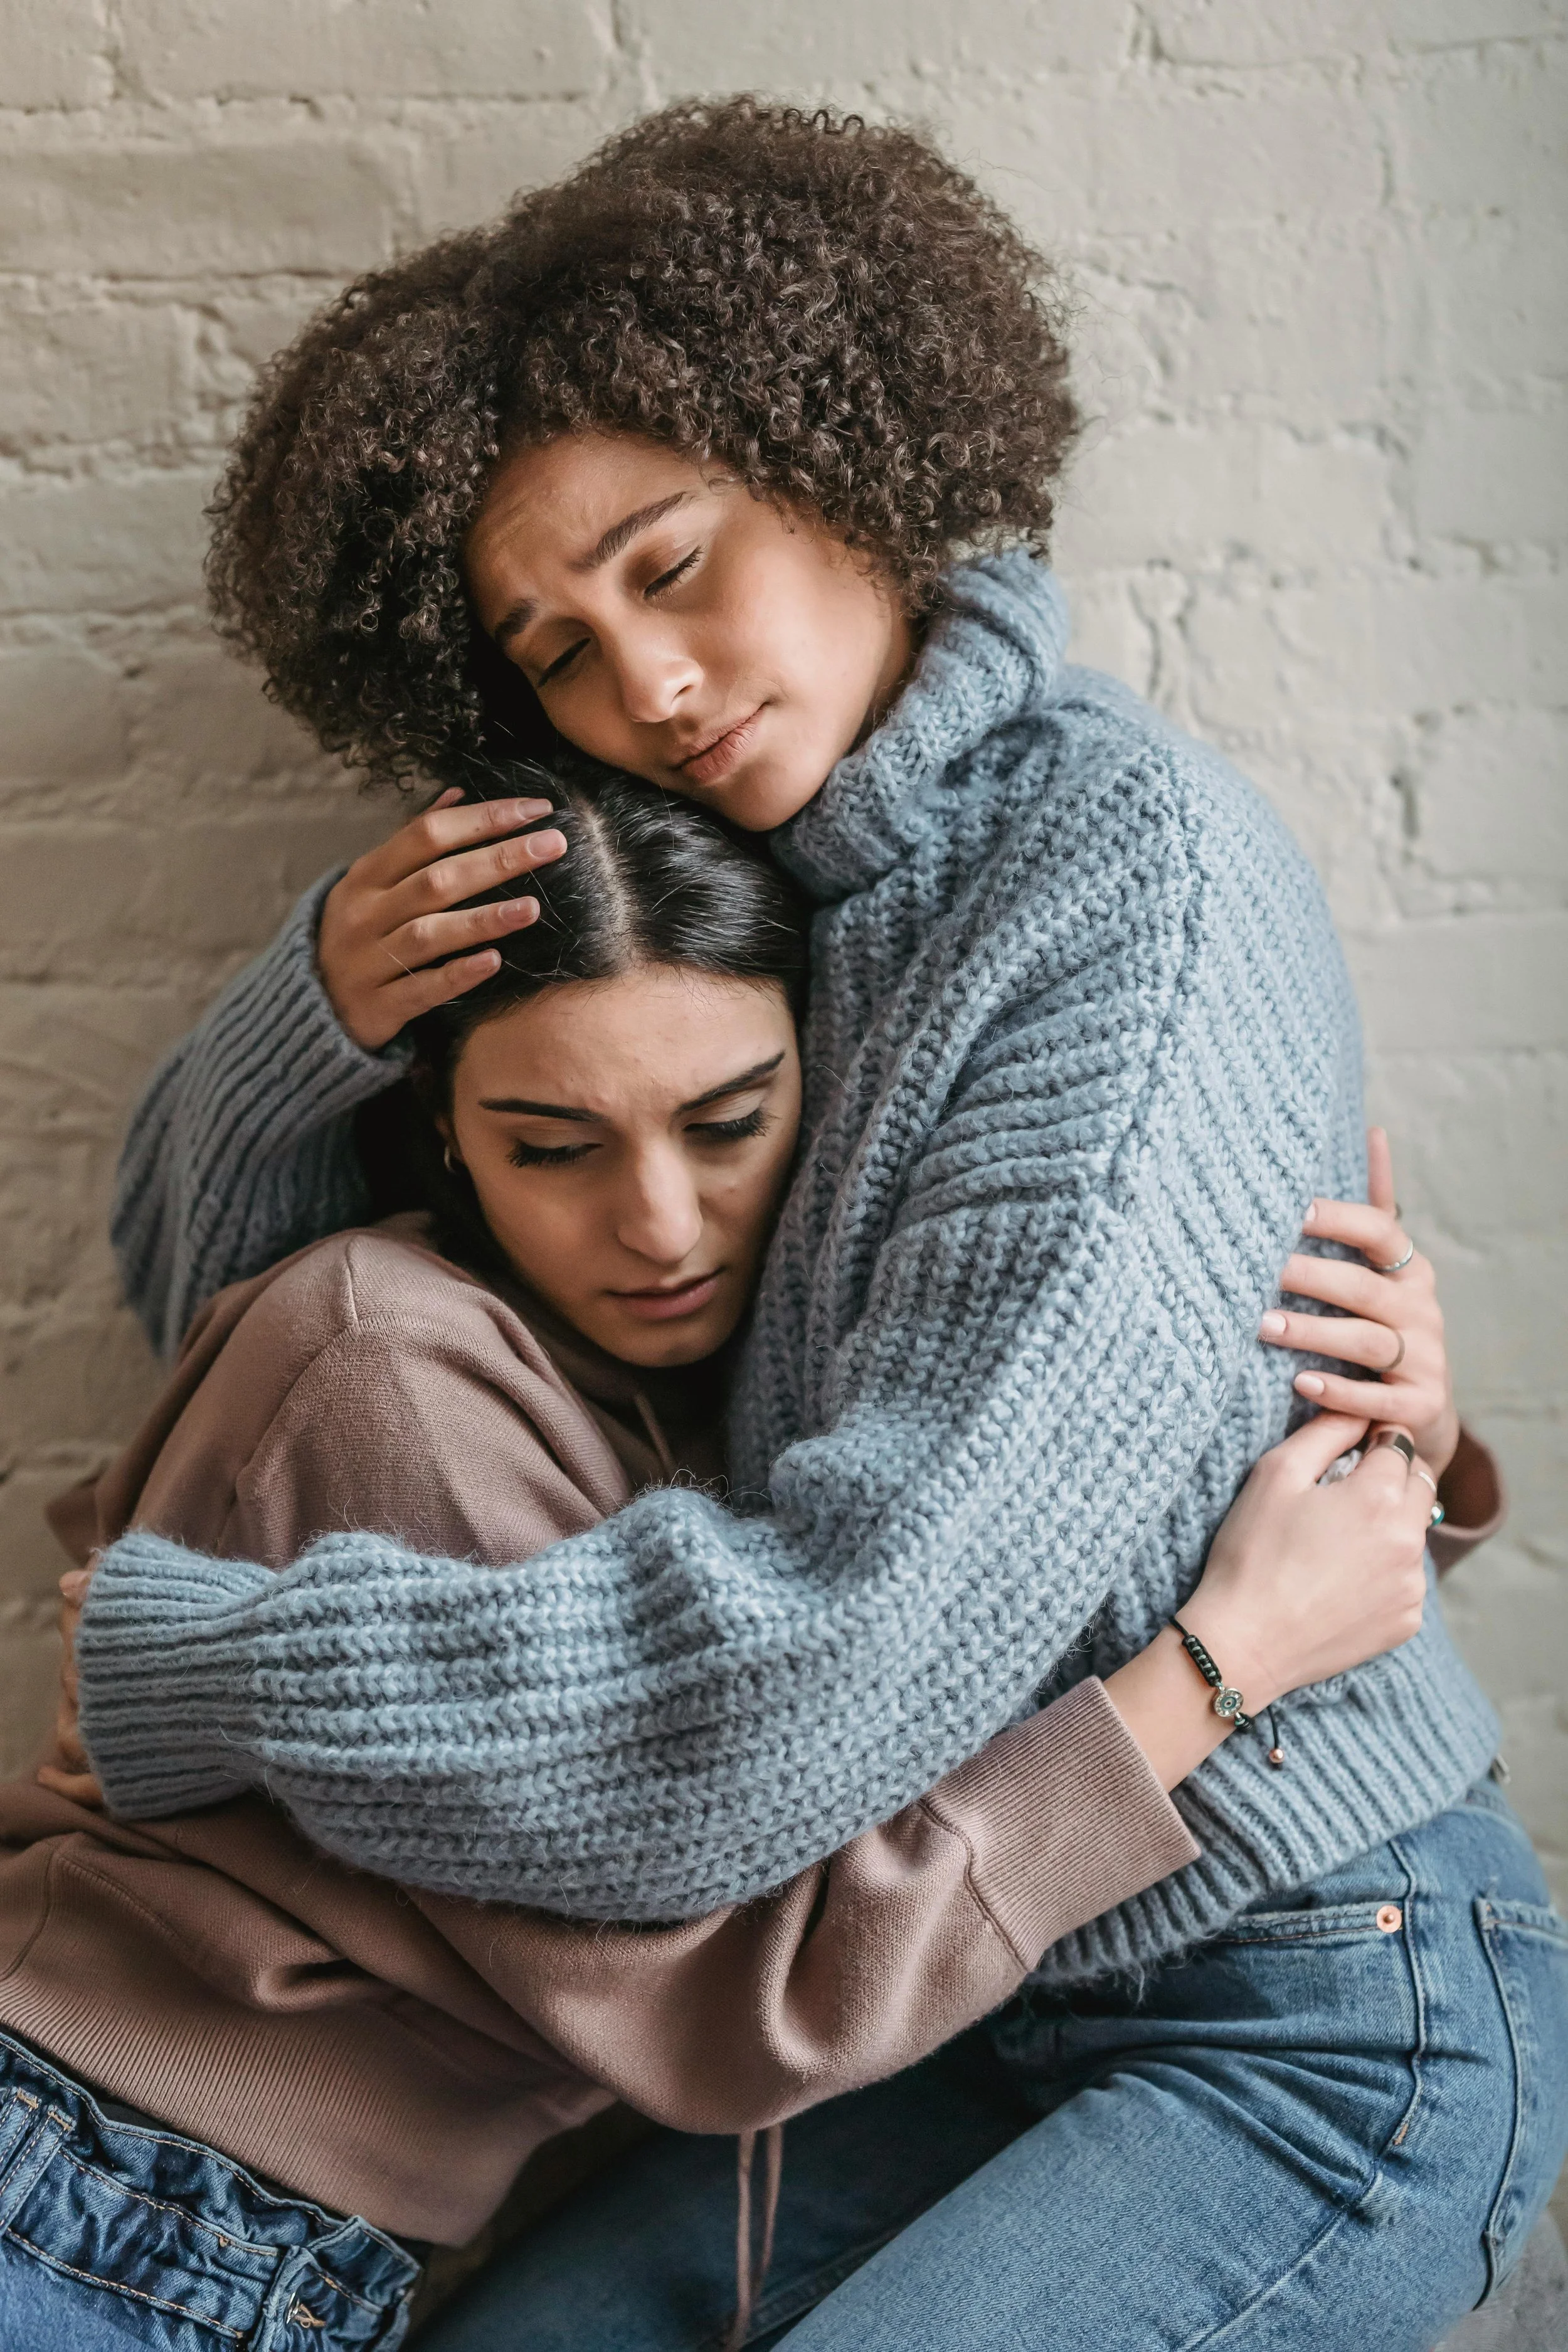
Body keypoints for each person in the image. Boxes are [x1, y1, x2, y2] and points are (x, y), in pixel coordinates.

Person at [58, 100, 1567, 2344]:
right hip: (950, 2003)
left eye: (670, 566)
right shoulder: (786, 900)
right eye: (554, 650)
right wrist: (314, 1024)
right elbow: (270, 1329)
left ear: (848, 455)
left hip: (1300, 2004)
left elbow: (813, 1676)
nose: (645, 688)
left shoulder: (1112, 895)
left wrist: (198, 1668)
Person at [4, 770, 1458, 2351]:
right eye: (553, 1146)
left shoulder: (713, 1406)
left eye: (727, 1124)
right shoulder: (386, 1368)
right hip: (91, 2186)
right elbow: (726, 1984)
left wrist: (1388, 1447)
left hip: (195, 2221)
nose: (659, 1225)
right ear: (447, 1142)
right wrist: (1210, 1675)